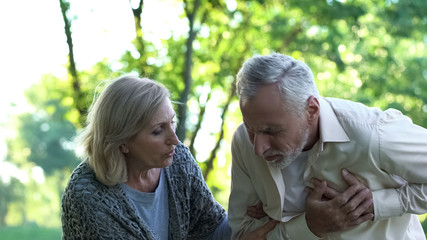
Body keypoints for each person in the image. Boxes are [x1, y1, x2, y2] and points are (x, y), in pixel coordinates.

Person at [228, 53, 427, 239]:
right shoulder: (242, 142)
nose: (258, 148)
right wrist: (308, 226)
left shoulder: (373, 134)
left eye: (272, 131)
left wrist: (380, 204)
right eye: (250, 129)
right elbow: (242, 235)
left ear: (312, 110)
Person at [61, 75, 232, 239]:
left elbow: (212, 227)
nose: (175, 140)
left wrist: (252, 213)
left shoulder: (179, 160)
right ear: (123, 141)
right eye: (158, 130)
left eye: (172, 122)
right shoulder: (87, 195)